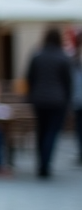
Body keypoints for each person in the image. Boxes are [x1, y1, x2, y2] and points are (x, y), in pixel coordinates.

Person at [25, 28, 73, 178]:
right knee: (52, 132)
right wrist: (68, 101)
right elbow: (68, 83)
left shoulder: (37, 55)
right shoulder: (63, 57)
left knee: (41, 131)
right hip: (57, 101)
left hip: (39, 100)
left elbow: (29, 78)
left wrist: (32, 95)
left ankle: (41, 164)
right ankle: (45, 165)